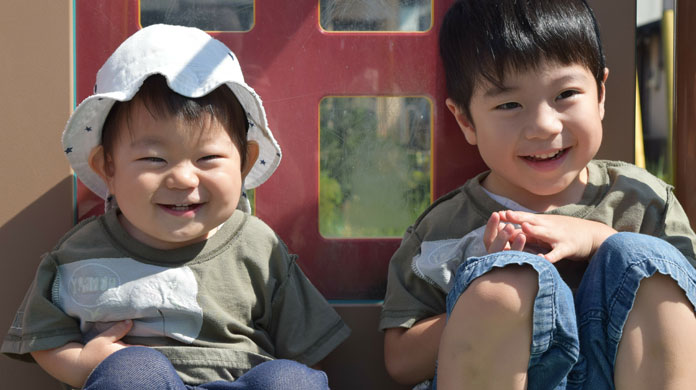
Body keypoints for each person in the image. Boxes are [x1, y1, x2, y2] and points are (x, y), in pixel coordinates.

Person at [1, 24, 350, 390]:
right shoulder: (79, 253)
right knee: (132, 372)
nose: (183, 179)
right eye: (154, 159)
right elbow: (45, 337)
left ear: (245, 162)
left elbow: (309, 347)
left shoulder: (259, 248)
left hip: (240, 380)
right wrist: (84, 365)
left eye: (208, 157)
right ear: (109, 167)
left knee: (290, 379)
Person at [380, 1, 696, 389]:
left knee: (643, 258)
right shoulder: (444, 228)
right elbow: (400, 360)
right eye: (509, 104)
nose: (544, 126)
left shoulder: (643, 202)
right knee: (504, 284)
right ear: (466, 120)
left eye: (565, 94)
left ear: (599, 95)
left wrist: (598, 240)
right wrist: (485, 291)